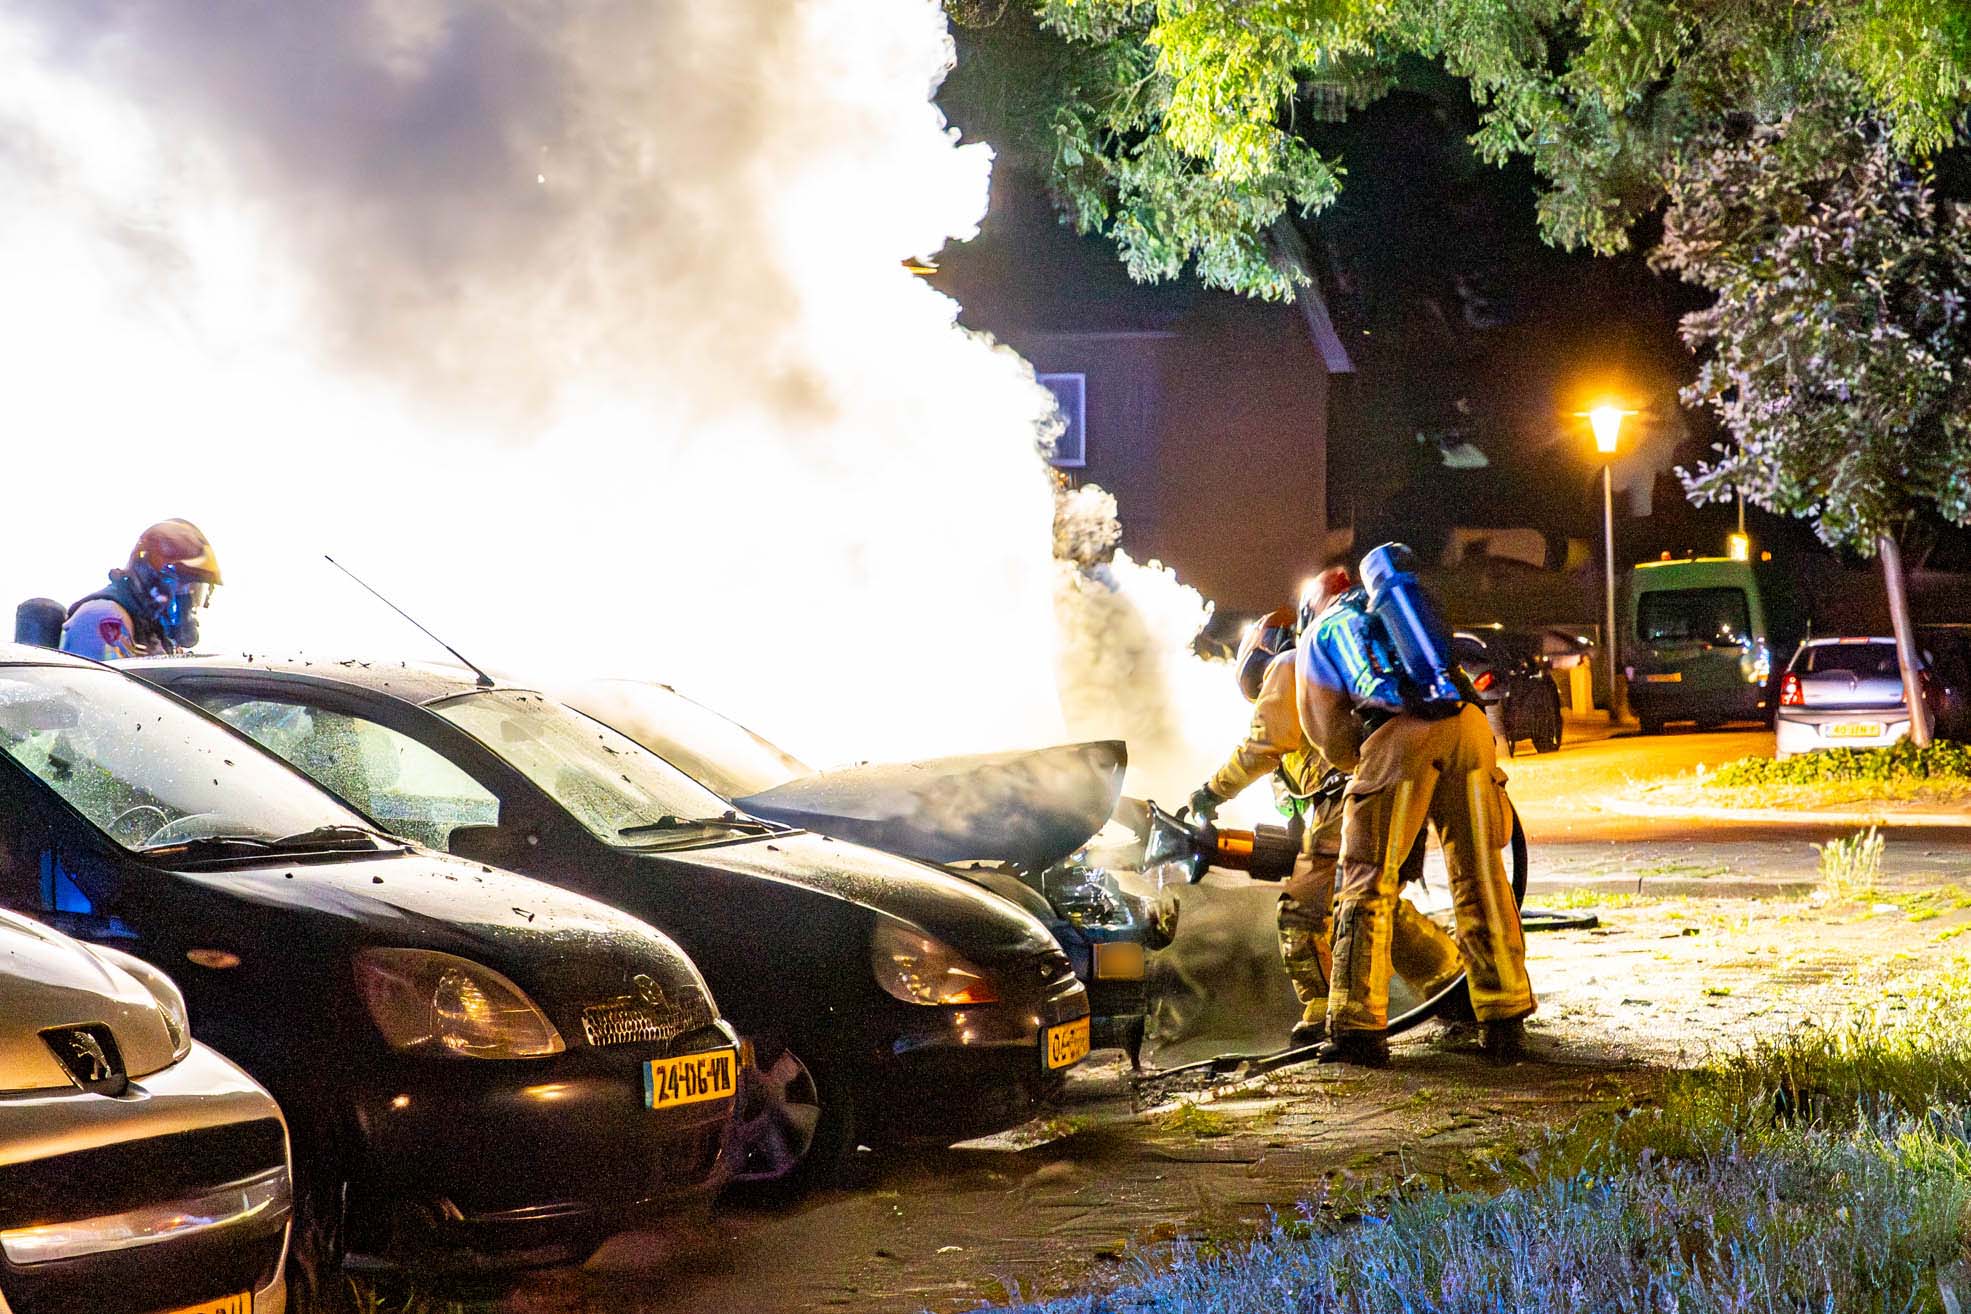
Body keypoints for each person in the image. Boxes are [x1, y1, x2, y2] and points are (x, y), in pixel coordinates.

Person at [1189, 570, 1463, 1050]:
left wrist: (1211, 793)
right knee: (1378, 904)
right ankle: (1452, 984)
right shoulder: (1331, 664)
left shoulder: (1289, 664)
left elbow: (1262, 747)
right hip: (1377, 787)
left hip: (1345, 801)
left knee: (1302, 912)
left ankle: (1324, 1012)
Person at [1297, 543, 1535, 1067]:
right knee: (1481, 874)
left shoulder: (1320, 635)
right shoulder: (1400, 616)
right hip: (1469, 729)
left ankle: (1357, 1029)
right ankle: (1504, 1015)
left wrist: (1374, 790)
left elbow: (1329, 736)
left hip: (1398, 737)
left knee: (1365, 881)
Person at [61, 520, 222, 661]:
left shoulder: (150, 629)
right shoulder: (103, 618)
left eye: (195, 590)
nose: (187, 599)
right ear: (153, 578)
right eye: (185, 588)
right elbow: (97, 691)